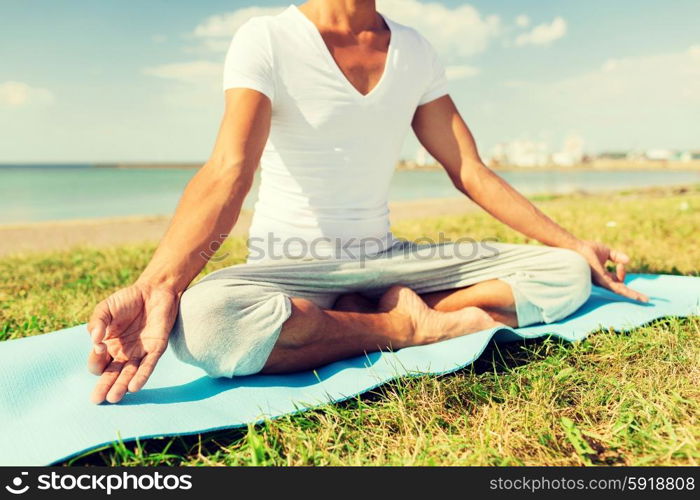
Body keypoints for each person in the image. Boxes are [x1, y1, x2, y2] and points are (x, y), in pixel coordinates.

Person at [86, 0, 647, 404]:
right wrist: (160, 284)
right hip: (289, 268)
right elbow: (230, 170)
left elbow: (468, 168)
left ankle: (348, 318)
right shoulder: (266, 38)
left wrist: (576, 245)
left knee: (567, 273)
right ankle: (401, 326)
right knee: (204, 323)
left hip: (386, 257)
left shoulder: (416, 51)